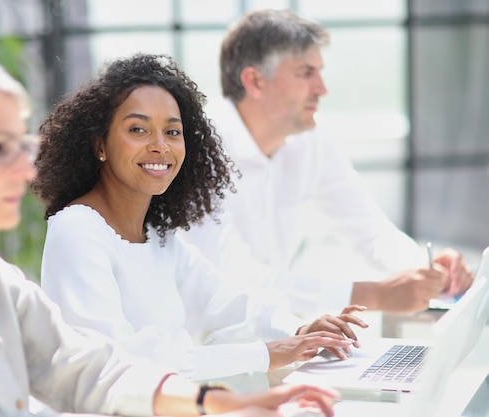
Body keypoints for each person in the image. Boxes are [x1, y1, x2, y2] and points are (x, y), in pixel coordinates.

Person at [0, 47, 341, 417]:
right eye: (0, 147)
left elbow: (85, 368)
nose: (24, 165)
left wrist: (217, 402)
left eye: (24, 143)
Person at [31, 52, 368, 383]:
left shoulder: (158, 236)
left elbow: (225, 302)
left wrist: (299, 329)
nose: (160, 146)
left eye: (173, 132)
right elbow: (118, 362)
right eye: (138, 130)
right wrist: (267, 353)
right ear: (99, 144)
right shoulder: (77, 229)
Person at [178, 9, 474, 316]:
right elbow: (232, 276)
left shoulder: (308, 141)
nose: (322, 88)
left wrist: (429, 270)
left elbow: (370, 231)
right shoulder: (197, 151)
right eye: (306, 73)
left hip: (276, 337)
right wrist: (374, 295)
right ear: (254, 80)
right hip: (200, 348)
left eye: (320, 72)